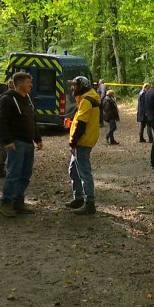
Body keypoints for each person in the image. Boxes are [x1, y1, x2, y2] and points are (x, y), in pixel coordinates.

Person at [0, 72, 43, 217]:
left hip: (28, 143)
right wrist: (7, 141)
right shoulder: (7, 99)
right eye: (29, 82)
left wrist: (37, 138)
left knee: (25, 174)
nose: (31, 85)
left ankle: (19, 201)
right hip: (16, 142)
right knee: (14, 173)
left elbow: (32, 119)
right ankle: (6, 203)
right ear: (20, 83)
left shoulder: (27, 99)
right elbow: (1, 121)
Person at [65, 76, 101, 215]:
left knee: (84, 173)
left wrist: (73, 141)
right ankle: (78, 198)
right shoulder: (88, 99)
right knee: (73, 170)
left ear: (82, 86)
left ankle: (89, 202)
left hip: (82, 142)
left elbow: (82, 123)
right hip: (83, 140)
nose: (72, 88)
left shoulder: (87, 101)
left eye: (75, 85)